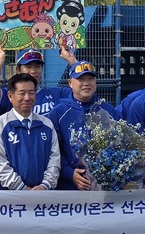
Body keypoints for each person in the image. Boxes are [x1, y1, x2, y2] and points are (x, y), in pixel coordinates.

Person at [47, 61, 119, 191]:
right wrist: (70, 173)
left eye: (90, 78)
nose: (86, 83)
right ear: (70, 83)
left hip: (105, 187)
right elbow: (52, 152)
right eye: (80, 79)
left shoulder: (108, 110)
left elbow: (122, 145)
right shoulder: (59, 112)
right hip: (71, 187)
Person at [0, 72, 61, 190]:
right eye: (22, 93)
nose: (27, 98)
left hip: (42, 195)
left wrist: (45, 185)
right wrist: (21, 188)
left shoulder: (47, 124)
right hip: (9, 198)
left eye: (31, 93)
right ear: (10, 96)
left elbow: (55, 159)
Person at [0, 47, 74, 117]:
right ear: (18, 70)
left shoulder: (55, 94)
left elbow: (82, 91)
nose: (33, 71)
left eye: (37, 66)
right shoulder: (12, 95)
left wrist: (72, 60)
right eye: (28, 66)